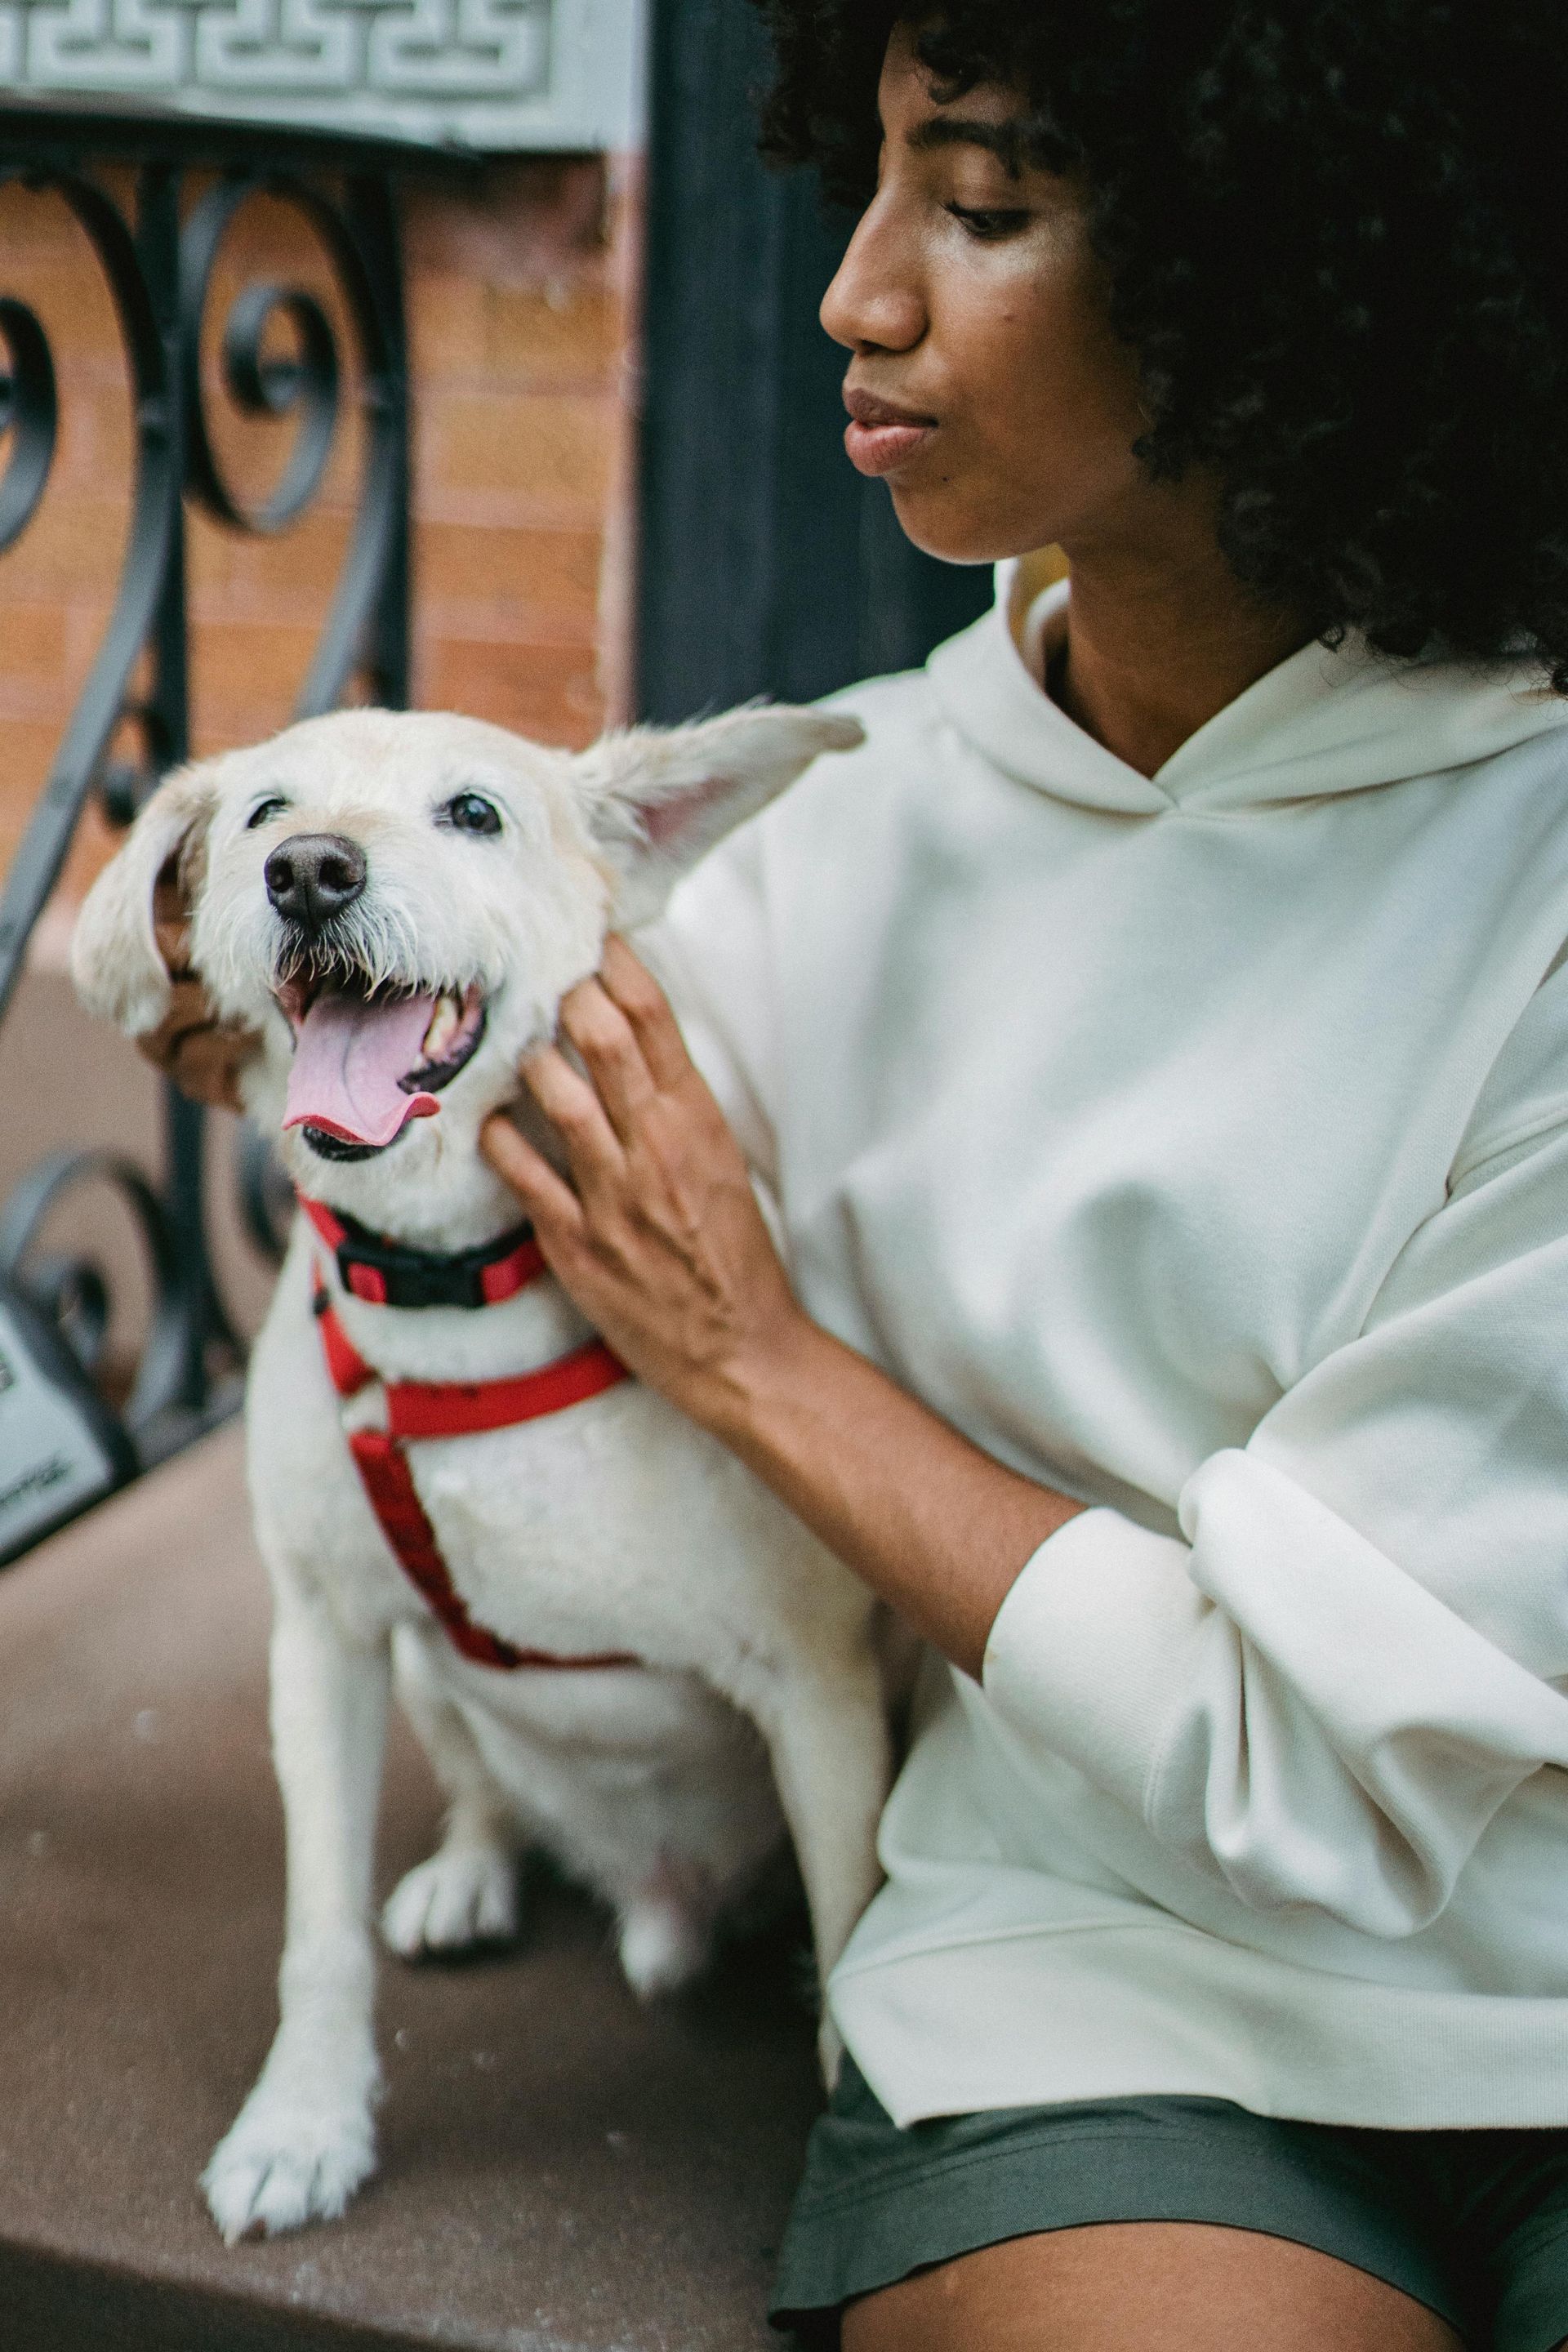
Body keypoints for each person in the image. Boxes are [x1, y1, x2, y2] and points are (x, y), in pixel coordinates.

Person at [144, 5, 1568, 2345]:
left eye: (985, 205)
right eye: (878, 177)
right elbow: (446, 1102)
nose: (857, 290)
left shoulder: (1530, 874)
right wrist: (278, 981)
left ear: (1305, 270)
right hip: (1082, 1982)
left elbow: (1297, 1745)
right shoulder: (847, 812)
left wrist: (761, 1365)